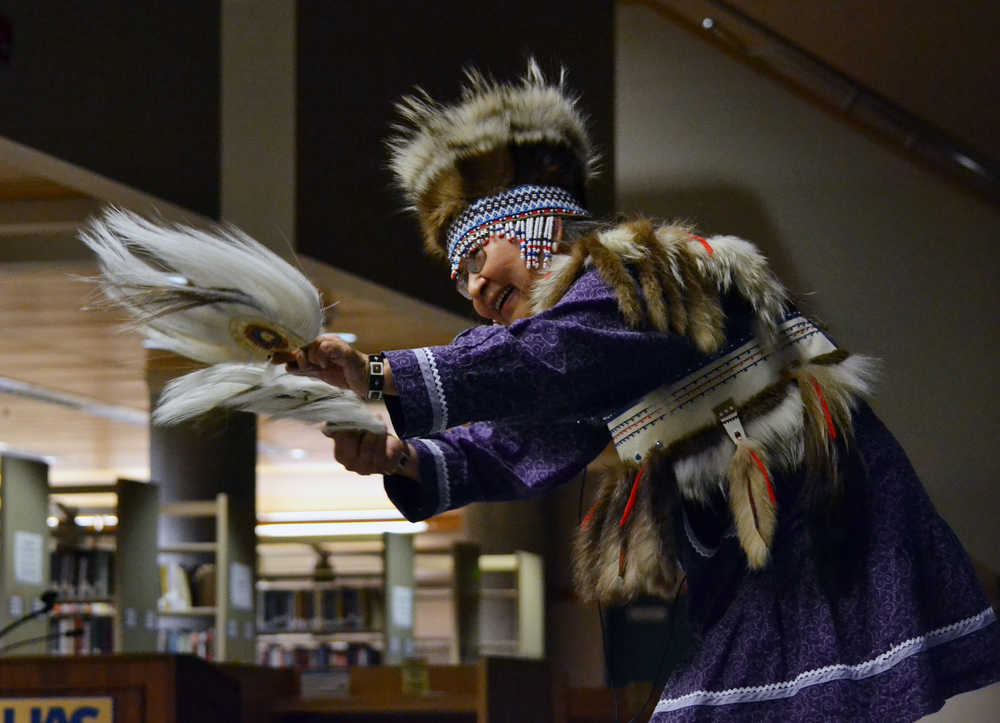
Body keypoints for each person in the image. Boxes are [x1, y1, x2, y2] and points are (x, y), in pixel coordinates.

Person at [286, 61, 1000, 720]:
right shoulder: (595, 343)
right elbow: (527, 438)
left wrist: (379, 372)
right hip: (760, 558)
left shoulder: (644, 272)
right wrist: (404, 457)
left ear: (536, 223)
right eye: (459, 278)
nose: (473, 288)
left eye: (477, 255)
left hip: (829, 531)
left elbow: (547, 358)